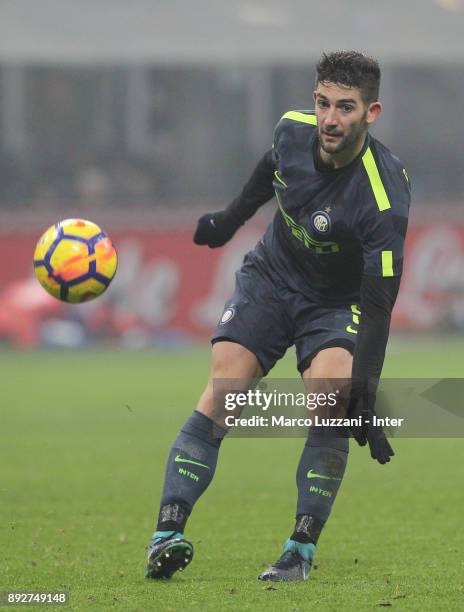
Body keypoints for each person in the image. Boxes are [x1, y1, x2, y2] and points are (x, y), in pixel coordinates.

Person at [145, 50, 411, 582]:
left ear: (371, 112)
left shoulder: (383, 196)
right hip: (272, 277)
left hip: (337, 302)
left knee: (332, 394)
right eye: (323, 103)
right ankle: (166, 534)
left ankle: (299, 551)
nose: (330, 120)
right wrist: (229, 219)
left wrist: (365, 390)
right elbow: (272, 169)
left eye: (345, 107)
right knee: (228, 382)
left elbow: (380, 300)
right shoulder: (293, 129)